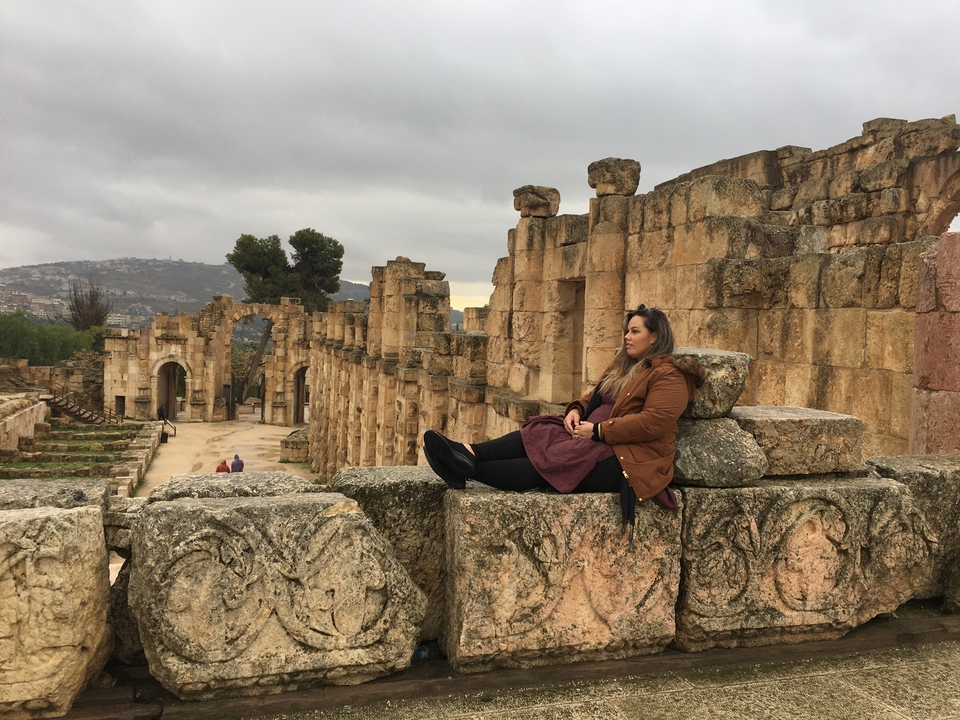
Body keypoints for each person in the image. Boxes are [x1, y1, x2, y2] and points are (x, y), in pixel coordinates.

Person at [423, 305, 702, 535]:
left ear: (654, 337)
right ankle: (468, 452)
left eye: (634, 331)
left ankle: (468, 469)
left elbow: (654, 422)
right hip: (592, 436)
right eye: (626, 331)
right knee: (542, 428)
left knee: (553, 461)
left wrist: (599, 431)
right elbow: (594, 396)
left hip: (627, 456)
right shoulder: (623, 367)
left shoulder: (670, 375)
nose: (627, 337)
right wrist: (576, 411)